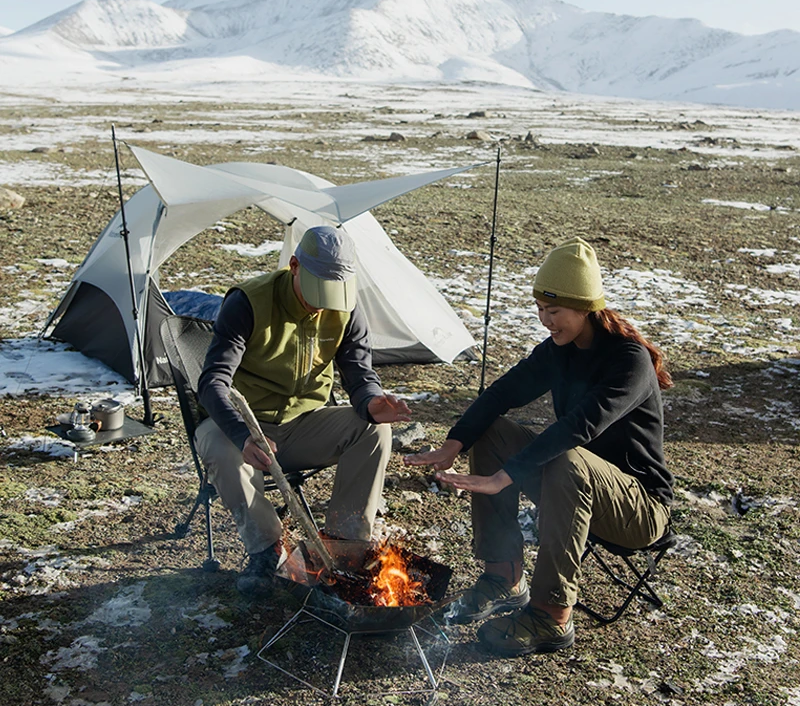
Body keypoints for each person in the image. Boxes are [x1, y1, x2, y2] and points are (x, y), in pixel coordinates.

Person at [405, 237, 674, 656]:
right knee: (493, 431)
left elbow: (580, 426)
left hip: (638, 509)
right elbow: (501, 393)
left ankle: (551, 615)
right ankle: (503, 576)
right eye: (540, 310)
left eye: (555, 311)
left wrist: (504, 477)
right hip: (571, 487)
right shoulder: (558, 351)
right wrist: (453, 444)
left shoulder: (629, 360)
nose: (545, 320)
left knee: (568, 456)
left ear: (585, 307)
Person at [196, 225, 411, 596]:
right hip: (244, 428)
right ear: (294, 265)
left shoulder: (346, 308)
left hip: (304, 424)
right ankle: (267, 550)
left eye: (332, 293)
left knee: (374, 431)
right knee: (218, 447)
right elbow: (212, 381)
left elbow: (358, 370)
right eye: (317, 291)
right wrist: (243, 434)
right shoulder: (249, 302)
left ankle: (344, 549)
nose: (323, 303)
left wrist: (371, 401)